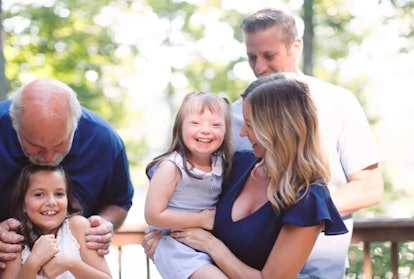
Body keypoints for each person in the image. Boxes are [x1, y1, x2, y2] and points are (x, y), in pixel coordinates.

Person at [229, 8, 384, 278]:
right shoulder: (235, 115)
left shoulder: (338, 102)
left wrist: (298, 224)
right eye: (251, 57)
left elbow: (369, 187)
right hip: (249, 270)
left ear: (295, 46)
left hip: (319, 270)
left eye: (269, 55)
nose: (259, 67)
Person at [146, 73, 349, 278]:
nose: (242, 132)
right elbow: (179, 201)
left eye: (250, 125)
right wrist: (163, 248)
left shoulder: (308, 198)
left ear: (276, 130)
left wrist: (211, 246)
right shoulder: (236, 165)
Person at [0, 78, 134, 269]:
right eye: (35, 146)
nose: (47, 158)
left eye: (59, 144)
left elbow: (118, 201)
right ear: (15, 125)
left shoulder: (104, 140)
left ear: (75, 124)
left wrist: (101, 227)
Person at [144, 92, 233, 279]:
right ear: (180, 128)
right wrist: (201, 220)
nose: (206, 130)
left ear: (226, 131)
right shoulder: (172, 167)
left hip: (205, 243)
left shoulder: (222, 164)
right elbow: (153, 215)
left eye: (215, 124)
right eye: (195, 123)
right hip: (174, 244)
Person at [0, 164, 112, 279]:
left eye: (59, 194)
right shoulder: (14, 242)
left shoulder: (78, 227)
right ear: (23, 204)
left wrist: (70, 263)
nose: (51, 202)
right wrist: (33, 262)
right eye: (39, 194)